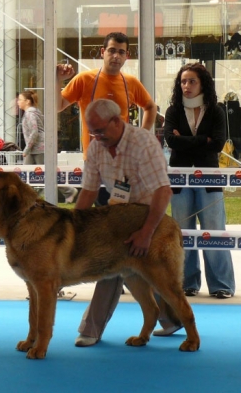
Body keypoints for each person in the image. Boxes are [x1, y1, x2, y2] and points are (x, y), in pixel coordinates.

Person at [73, 99, 178, 346]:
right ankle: (171, 318)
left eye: (99, 131)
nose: (96, 137)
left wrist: (146, 233)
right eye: (92, 132)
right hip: (118, 216)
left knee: (112, 265)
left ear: (117, 121)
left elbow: (163, 192)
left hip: (149, 214)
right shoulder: (97, 147)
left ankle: (90, 329)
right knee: (137, 274)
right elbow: (88, 191)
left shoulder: (143, 144)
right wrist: (74, 226)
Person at [164, 63, 236, 300]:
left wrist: (184, 140)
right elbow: (170, 142)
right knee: (182, 231)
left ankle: (221, 285)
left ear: (202, 83)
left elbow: (217, 144)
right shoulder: (173, 110)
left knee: (215, 230)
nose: (186, 86)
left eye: (192, 81)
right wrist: (200, 140)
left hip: (209, 178)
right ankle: (187, 283)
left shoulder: (216, 110)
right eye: (183, 81)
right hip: (179, 179)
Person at [18, 90, 78, 203]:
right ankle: (29, 197)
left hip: (38, 148)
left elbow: (35, 132)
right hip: (37, 148)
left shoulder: (30, 113)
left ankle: (68, 191)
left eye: (20, 99)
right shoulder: (34, 112)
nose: (18, 102)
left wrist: (27, 149)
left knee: (43, 173)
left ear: (27, 101)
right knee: (28, 173)